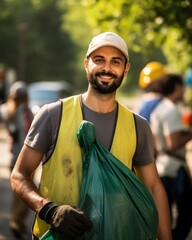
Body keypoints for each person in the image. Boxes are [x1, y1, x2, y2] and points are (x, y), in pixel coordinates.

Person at [10, 32, 172, 240]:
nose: (107, 68)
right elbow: (19, 174)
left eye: (115, 61)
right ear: (86, 64)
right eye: (99, 60)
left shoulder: (138, 126)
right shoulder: (53, 115)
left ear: (126, 69)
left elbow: (153, 187)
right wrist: (49, 210)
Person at [150, 74, 192, 240]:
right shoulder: (171, 110)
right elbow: (173, 143)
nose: (184, 90)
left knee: (165, 215)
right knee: (187, 214)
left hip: (162, 166)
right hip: (175, 169)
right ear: (176, 87)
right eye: (182, 87)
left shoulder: (160, 108)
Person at [0, 81, 33, 239]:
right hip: (26, 158)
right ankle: (16, 222)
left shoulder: (5, 110)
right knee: (26, 193)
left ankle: (16, 221)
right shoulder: (26, 111)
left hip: (13, 156)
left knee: (17, 193)